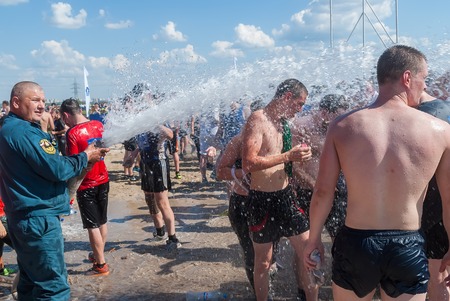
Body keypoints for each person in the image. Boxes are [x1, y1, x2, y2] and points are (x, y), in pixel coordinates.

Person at [304, 45, 450, 301]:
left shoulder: (343, 126)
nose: (424, 88)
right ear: (407, 78)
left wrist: (313, 238)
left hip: (356, 243)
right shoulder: (440, 130)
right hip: (407, 243)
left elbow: (323, 191)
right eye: (423, 79)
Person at [0, 81, 108, 300]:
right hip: (38, 220)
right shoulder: (24, 132)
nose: (42, 106)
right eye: (35, 100)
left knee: (30, 285)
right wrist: (86, 157)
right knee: (54, 289)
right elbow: (57, 169)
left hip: (22, 218)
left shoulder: (9, 128)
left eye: (43, 100)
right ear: (16, 102)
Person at [242, 78, 315, 301]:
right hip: (261, 200)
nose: (301, 109)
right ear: (286, 97)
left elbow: (284, 162)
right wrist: (287, 156)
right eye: (299, 104)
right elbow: (249, 163)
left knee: (310, 253)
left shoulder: (282, 122)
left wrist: (300, 157)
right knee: (263, 261)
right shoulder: (258, 119)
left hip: (285, 196)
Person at [60, 98, 111, 276]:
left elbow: (74, 163)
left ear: (66, 115)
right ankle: (99, 254)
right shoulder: (98, 124)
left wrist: (69, 192)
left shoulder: (73, 133)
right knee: (102, 220)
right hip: (104, 178)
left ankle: (101, 265)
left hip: (85, 183)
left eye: (63, 118)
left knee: (92, 225)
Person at [292, 94, 349, 241]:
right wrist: (314, 184)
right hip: (307, 191)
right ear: (324, 113)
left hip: (336, 191)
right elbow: (292, 164)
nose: (341, 121)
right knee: (308, 240)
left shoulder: (342, 127)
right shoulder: (302, 127)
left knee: (341, 237)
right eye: (337, 117)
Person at [418, 91, 450, 301]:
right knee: (443, 271)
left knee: (435, 273)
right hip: (443, 206)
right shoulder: (445, 109)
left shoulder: (423, 116)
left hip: (433, 208)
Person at [136, 125, 181, 250]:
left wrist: (155, 122)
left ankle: (173, 238)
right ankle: (160, 231)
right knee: (149, 199)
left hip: (159, 164)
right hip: (145, 164)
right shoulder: (140, 122)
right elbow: (141, 145)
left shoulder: (159, 119)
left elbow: (170, 135)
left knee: (162, 202)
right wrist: (132, 156)